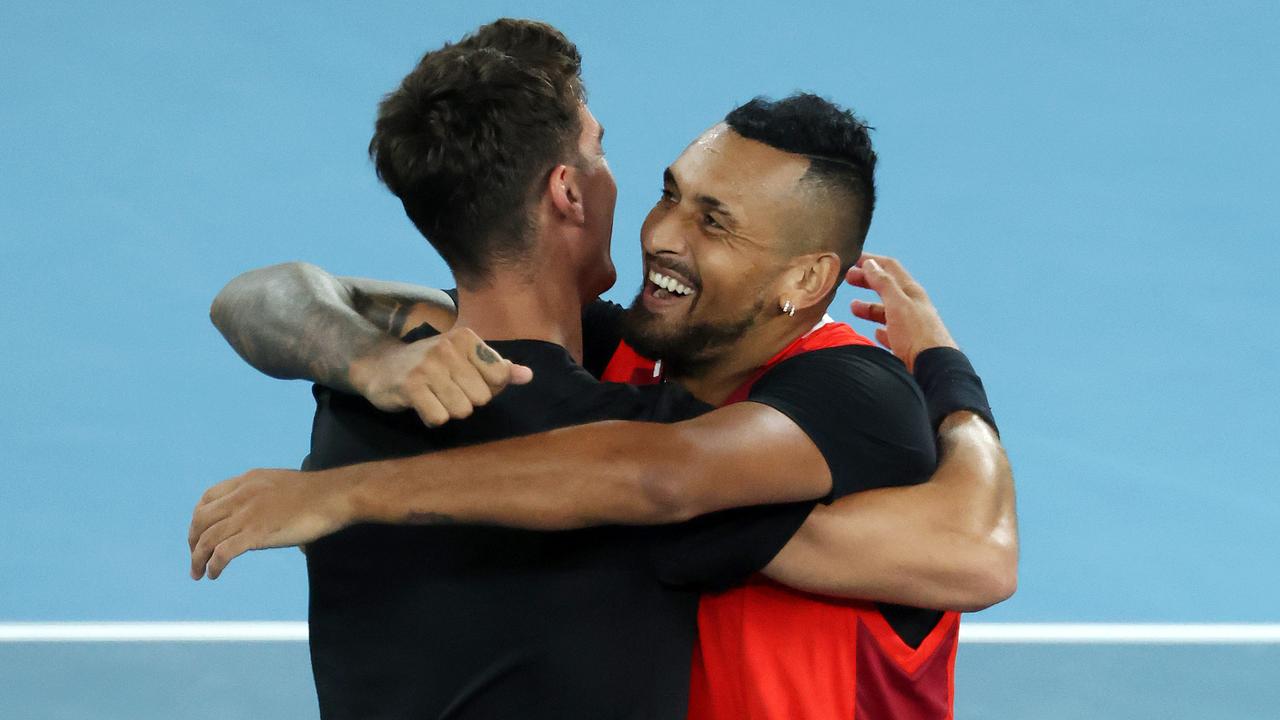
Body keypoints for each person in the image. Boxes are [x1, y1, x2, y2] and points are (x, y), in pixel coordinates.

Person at [193, 19, 1015, 720]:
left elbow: (269, 296)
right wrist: (950, 380)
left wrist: (362, 389)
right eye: (667, 191)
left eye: (714, 220)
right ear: (567, 193)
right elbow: (656, 477)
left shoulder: (375, 381)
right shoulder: (607, 423)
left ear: (806, 278)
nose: (663, 232)